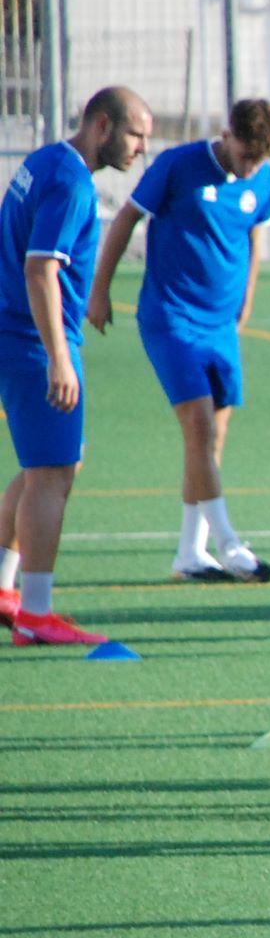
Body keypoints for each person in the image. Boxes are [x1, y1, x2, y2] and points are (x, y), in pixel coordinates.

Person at [90, 97, 270, 581]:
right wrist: (101, 291)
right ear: (226, 134)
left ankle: (189, 553)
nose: (250, 167)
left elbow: (255, 235)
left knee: (211, 442)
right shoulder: (179, 165)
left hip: (221, 325)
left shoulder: (264, 179)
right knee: (198, 427)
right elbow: (126, 219)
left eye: (260, 159)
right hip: (171, 316)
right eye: (245, 155)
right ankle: (230, 543)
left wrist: (248, 299)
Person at [0, 86, 152, 646]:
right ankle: (36, 615)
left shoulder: (45, 160)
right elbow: (40, 268)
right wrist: (58, 359)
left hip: (20, 334)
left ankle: (5, 586)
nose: (142, 148)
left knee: (53, 464)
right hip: (35, 340)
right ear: (103, 126)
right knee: (52, 474)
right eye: (136, 134)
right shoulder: (70, 181)